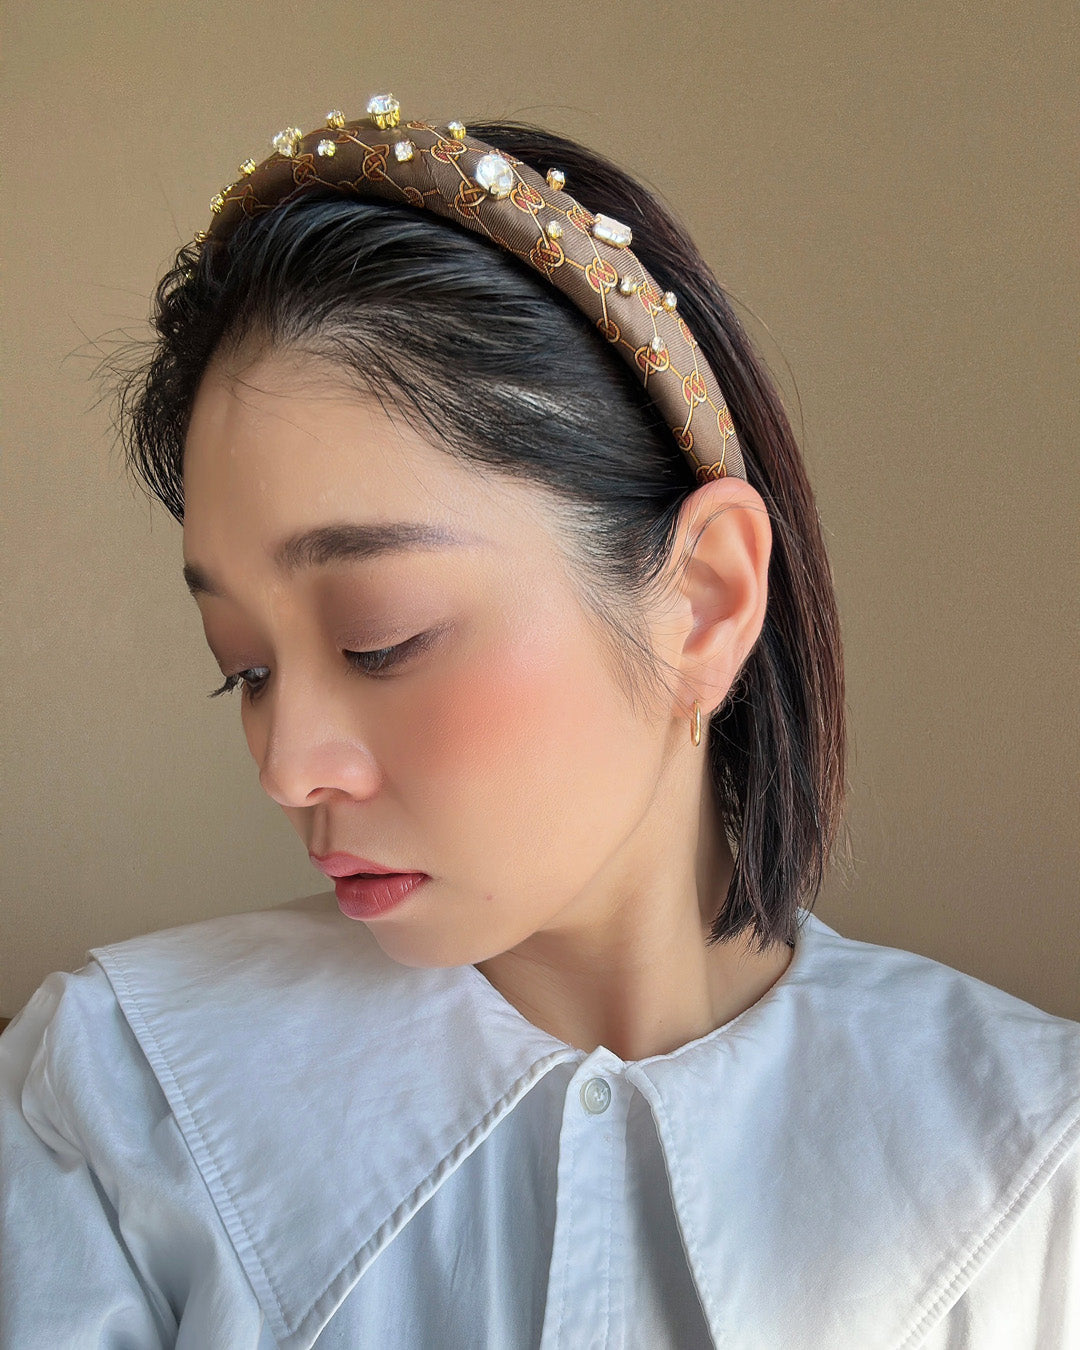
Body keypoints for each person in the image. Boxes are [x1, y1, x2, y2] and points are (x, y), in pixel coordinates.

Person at [1, 97, 1077, 1349]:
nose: (288, 768)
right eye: (241, 666)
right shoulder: (120, 1102)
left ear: (705, 601)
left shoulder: (1033, 1173)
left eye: (380, 639)